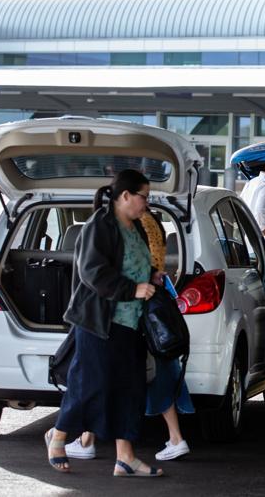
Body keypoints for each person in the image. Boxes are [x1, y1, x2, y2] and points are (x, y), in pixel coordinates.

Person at [44, 169, 165, 476]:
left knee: (131, 390)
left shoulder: (135, 225)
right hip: (100, 321)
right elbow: (92, 271)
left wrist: (150, 276)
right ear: (126, 195)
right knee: (90, 385)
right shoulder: (100, 224)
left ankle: (126, 458)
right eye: (144, 197)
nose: (146, 203)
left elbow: (134, 261)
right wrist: (132, 288)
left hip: (130, 323)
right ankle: (58, 437)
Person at [64, 209, 195, 463]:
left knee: (110, 377)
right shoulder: (153, 221)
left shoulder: (132, 226)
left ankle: (77, 439)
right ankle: (98, 443)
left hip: (132, 308)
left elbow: (120, 269)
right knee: (151, 372)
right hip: (150, 305)